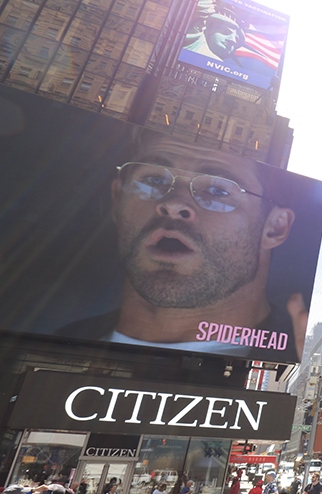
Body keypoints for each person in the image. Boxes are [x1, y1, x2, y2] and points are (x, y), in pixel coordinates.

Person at [56, 129, 305, 363]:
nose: (174, 204)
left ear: (275, 227)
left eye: (218, 191)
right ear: (118, 200)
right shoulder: (54, 347)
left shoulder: (302, 361)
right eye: (154, 179)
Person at [182, 1, 247, 62]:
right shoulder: (194, 42)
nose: (233, 41)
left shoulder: (221, 68)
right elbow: (201, 7)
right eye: (225, 31)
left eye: (237, 40)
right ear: (206, 26)